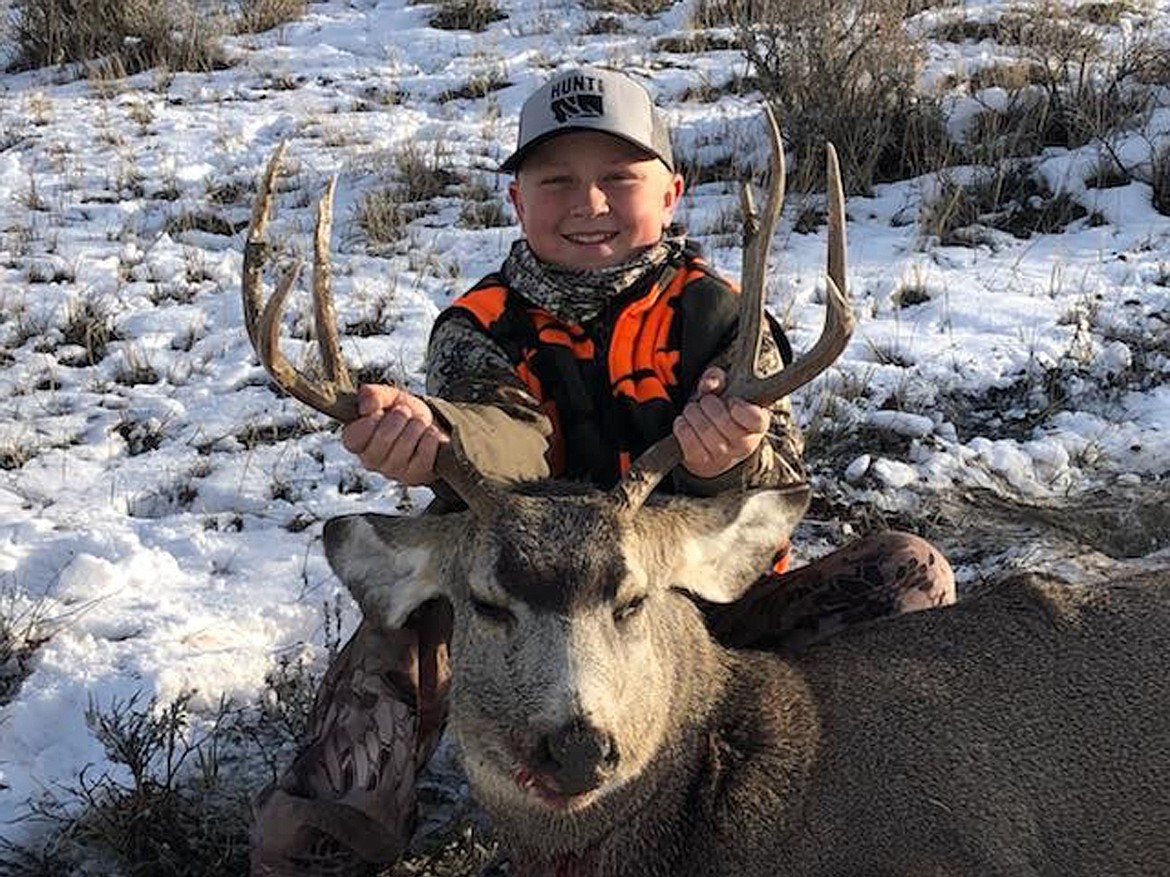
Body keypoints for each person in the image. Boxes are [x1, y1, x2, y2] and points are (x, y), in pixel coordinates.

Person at [250, 67, 956, 877]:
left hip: (704, 626)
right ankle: (323, 846)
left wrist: (735, 458)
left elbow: (779, 493)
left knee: (908, 575)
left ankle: (871, 817)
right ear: (517, 201)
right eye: (557, 181)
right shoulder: (480, 327)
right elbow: (510, 434)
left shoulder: (720, 317)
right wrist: (438, 430)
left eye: (618, 179)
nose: (588, 204)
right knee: (405, 622)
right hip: (524, 618)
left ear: (671, 194)